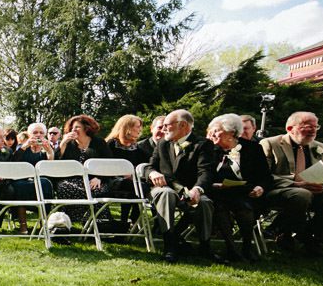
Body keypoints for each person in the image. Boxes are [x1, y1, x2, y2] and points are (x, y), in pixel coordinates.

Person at [148, 109, 217, 263]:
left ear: (183, 125)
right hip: (165, 188)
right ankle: (169, 245)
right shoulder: (162, 144)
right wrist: (152, 173)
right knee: (166, 194)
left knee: (205, 203)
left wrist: (197, 190)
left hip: (189, 189)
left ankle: (204, 246)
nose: (163, 129)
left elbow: (205, 172)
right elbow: (149, 166)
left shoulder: (203, 144)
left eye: (167, 125)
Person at [207, 114, 271, 262]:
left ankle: (247, 247)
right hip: (217, 192)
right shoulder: (209, 148)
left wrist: (261, 187)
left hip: (245, 192)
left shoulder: (252, 148)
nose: (213, 134)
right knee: (220, 208)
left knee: (245, 208)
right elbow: (203, 173)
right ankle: (232, 249)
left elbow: (266, 176)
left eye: (217, 131)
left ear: (231, 133)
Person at [260, 111, 323, 255]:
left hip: (314, 191)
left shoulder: (321, 148)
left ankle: (312, 235)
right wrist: (296, 184)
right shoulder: (270, 144)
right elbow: (263, 176)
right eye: (307, 126)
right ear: (290, 128)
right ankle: (292, 233)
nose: (313, 130)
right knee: (301, 195)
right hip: (278, 190)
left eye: (316, 126)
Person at [57, 115, 112, 223]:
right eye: (72, 128)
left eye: (77, 127)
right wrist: (63, 144)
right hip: (71, 180)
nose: (73, 130)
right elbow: (57, 164)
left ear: (87, 128)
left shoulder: (99, 143)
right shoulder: (68, 144)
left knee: (97, 190)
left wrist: (99, 178)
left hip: (95, 180)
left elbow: (109, 164)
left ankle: (100, 222)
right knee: (65, 188)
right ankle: (65, 222)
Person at [103, 115, 149, 225]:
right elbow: (104, 165)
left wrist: (134, 174)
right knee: (140, 188)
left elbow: (144, 165)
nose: (140, 130)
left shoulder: (137, 147)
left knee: (141, 188)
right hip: (111, 181)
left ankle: (129, 220)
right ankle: (127, 222)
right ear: (127, 128)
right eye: (137, 127)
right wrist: (123, 173)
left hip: (132, 182)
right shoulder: (111, 144)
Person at [11, 122, 55, 229]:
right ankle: (23, 225)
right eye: (35, 132)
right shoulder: (22, 147)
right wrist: (26, 145)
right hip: (23, 179)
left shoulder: (48, 147)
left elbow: (51, 164)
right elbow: (14, 160)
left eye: (41, 132)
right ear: (29, 134)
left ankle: (43, 223)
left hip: (42, 179)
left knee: (45, 184)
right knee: (20, 185)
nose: (38, 135)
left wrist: (49, 150)